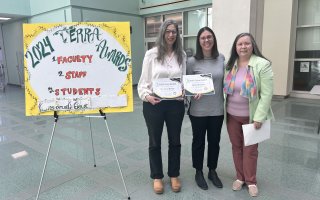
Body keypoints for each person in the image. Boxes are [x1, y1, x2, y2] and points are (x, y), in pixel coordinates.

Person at [137, 19, 186, 194]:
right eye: (168, 31)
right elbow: (143, 82)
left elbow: (184, 80)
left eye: (174, 31)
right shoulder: (151, 54)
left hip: (175, 105)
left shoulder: (182, 56)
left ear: (177, 34)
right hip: (154, 105)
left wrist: (183, 92)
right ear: (162, 33)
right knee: (154, 141)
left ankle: (174, 174)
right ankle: (157, 176)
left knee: (175, 141)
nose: (171, 34)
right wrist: (147, 96)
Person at [223, 32, 274, 197]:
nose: (243, 47)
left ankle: (251, 180)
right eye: (240, 44)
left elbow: (267, 94)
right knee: (236, 147)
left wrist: (259, 117)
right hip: (231, 115)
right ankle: (240, 177)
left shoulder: (262, 64)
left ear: (253, 46)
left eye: (247, 43)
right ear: (235, 47)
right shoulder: (230, 64)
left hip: (252, 118)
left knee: (250, 150)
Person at [186, 27, 224, 190]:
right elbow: (186, 84)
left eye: (209, 37)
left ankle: (212, 171)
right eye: (203, 38)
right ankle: (198, 171)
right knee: (198, 142)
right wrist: (193, 92)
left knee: (214, 142)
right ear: (198, 41)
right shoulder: (192, 61)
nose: (206, 40)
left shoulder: (221, 58)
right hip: (198, 111)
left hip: (217, 109)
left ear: (213, 39)